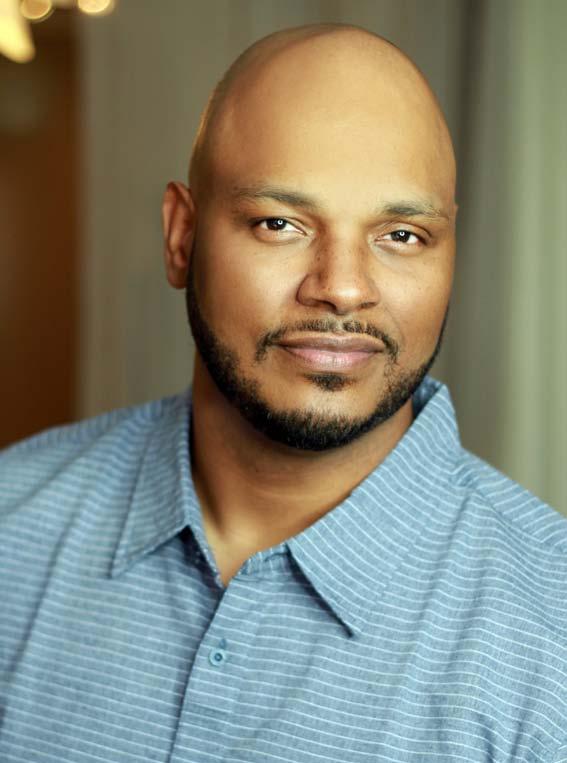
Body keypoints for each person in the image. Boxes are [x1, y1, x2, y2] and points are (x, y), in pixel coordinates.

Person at [1, 22, 566, 763]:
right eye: (280, 223)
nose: (342, 288)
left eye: (401, 234)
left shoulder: (550, 634)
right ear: (181, 237)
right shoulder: (12, 524)